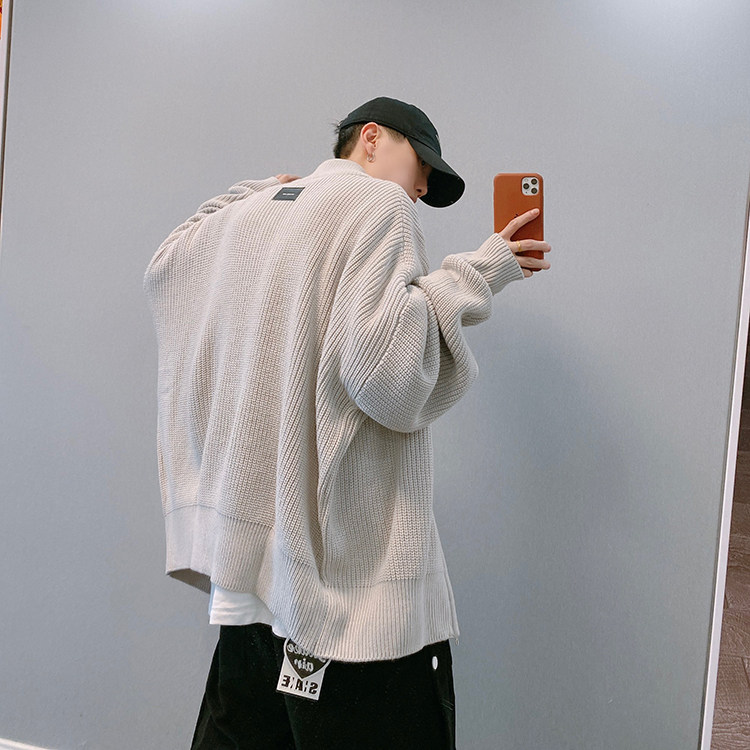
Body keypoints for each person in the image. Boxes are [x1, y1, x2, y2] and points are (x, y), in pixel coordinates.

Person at [143, 96, 551, 750]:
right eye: (422, 166)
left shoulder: (249, 215)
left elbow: (168, 267)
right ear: (371, 138)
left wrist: (257, 191)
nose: (421, 188)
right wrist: (480, 273)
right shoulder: (377, 203)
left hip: (247, 579)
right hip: (344, 597)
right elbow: (390, 376)